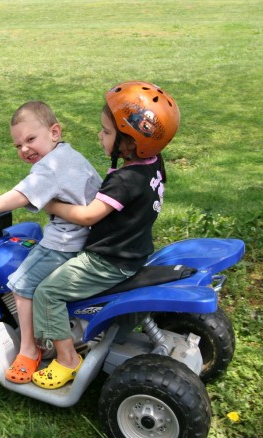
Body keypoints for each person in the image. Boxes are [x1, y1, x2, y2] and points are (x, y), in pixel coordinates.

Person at [31, 81, 180, 389]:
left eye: (107, 132)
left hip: (107, 261)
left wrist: (51, 203)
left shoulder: (125, 179)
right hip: (134, 253)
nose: (99, 136)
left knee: (47, 293)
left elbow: (88, 215)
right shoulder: (152, 166)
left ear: (132, 141)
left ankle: (66, 360)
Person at [0, 101, 101, 384]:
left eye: (30, 139)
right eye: (18, 146)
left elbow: (22, 195)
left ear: (55, 132)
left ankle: (28, 349)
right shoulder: (69, 156)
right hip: (91, 237)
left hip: (66, 241)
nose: (24, 149)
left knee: (21, 283)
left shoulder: (52, 167)